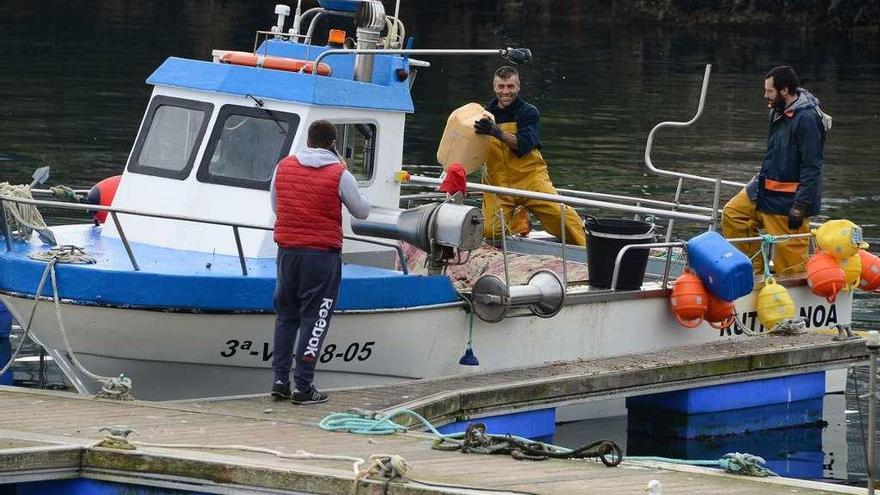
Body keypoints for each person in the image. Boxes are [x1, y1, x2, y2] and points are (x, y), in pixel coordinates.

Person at [269, 120, 370, 405]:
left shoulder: (284, 166)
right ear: (333, 144)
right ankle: (303, 385)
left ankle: (279, 380)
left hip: (287, 252)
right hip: (321, 257)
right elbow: (361, 212)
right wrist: (347, 172)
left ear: (308, 141)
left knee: (286, 316)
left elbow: (277, 207)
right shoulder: (340, 173)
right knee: (316, 318)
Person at [722, 66, 831, 275]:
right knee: (733, 214)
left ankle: (791, 299)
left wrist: (800, 205)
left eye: (769, 91)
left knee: (790, 265)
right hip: (764, 189)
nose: (766, 96)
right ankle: (753, 271)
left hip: (788, 201)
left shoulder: (807, 119)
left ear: (785, 90)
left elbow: (812, 166)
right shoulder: (778, 112)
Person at [473, 66, 587, 247]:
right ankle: (518, 220)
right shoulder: (483, 115)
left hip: (530, 179)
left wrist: (497, 132)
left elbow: (524, 144)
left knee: (560, 216)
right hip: (498, 184)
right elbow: (470, 149)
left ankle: (589, 247)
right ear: (494, 87)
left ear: (519, 87)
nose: (505, 92)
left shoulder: (528, 112)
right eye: (501, 87)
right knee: (489, 231)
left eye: (510, 86)